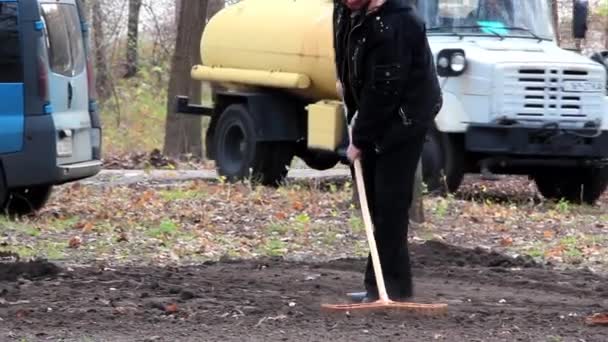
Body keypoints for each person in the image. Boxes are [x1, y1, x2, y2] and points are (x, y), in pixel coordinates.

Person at [333, 0, 442, 302]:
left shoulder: (399, 22)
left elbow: (385, 88)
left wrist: (360, 139)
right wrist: (342, 77)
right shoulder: (345, 9)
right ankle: (378, 285)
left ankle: (390, 288)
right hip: (374, 109)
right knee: (375, 201)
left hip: (406, 117)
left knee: (390, 203)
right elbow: (342, 44)